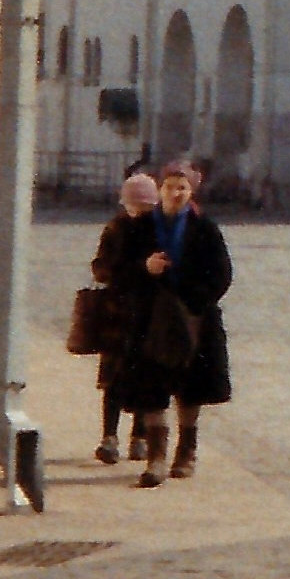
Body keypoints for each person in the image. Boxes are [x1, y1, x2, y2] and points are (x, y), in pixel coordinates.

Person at [125, 160, 234, 486]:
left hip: (193, 317)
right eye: (170, 186)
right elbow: (120, 268)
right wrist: (145, 267)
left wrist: (194, 300)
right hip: (150, 316)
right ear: (160, 190)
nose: (176, 193)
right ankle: (156, 457)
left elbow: (222, 274)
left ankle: (186, 452)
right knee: (151, 386)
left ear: (191, 191)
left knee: (191, 388)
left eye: (182, 187)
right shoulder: (142, 227)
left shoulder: (205, 227)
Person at [89, 173, 160, 465]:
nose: (139, 210)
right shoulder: (119, 228)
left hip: (136, 312)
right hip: (124, 313)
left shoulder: (145, 228)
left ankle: (134, 437)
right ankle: (116, 437)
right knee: (118, 378)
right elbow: (102, 267)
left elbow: (102, 268)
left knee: (136, 376)